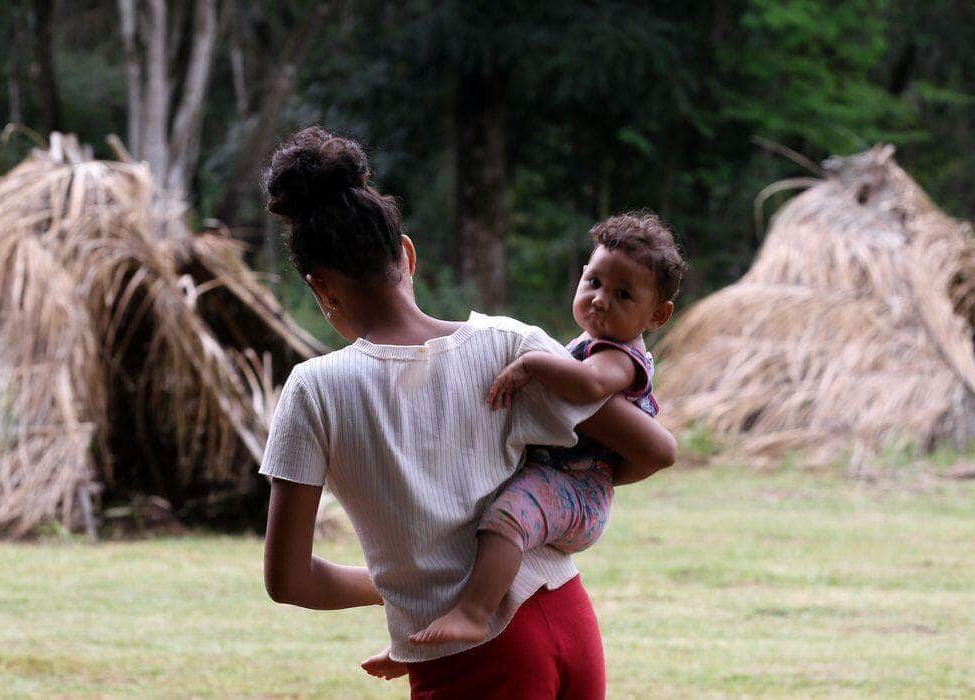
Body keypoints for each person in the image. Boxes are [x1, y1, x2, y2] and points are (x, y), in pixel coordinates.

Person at [259, 126, 677, 700]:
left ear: (321, 287)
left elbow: (289, 580)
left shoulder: (313, 391)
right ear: (407, 255)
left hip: (471, 658)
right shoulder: (511, 345)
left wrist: (398, 589)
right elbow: (654, 449)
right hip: (567, 618)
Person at [406, 213, 685, 647]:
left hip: (577, 487)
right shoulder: (590, 343)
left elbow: (589, 385)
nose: (600, 300)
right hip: (562, 477)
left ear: (658, 315)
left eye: (623, 294)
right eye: (594, 282)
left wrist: (533, 363)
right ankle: (426, 621)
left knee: (507, 518)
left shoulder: (620, 358)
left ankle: (474, 613)